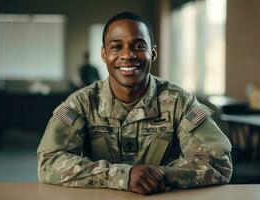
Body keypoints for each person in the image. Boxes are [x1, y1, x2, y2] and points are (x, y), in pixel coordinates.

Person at [37, 12, 232, 195]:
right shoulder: (82, 103)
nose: (128, 55)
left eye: (139, 46)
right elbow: (48, 162)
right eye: (116, 47)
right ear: (104, 54)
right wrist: (122, 176)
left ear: (153, 54)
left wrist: (155, 177)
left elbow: (218, 163)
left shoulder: (178, 102)